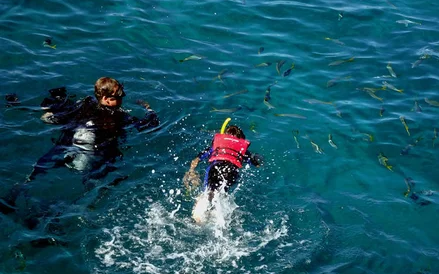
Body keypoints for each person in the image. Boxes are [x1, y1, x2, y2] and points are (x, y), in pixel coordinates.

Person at [0, 77, 159, 217]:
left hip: (65, 147)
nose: (123, 98)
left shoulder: (84, 103)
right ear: (105, 98)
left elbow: (60, 115)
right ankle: (72, 212)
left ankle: (16, 192)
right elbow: (148, 126)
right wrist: (149, 109)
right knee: (104, 181)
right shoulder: (120, 116)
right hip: (90, 156)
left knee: (38, 170)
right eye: (119, 96)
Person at [183, 119, 262, 222]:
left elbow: (196, 159)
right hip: (231, 171)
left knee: (207, 193)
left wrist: (191, 171)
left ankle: (198, 219)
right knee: (221, 195)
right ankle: (219, 219)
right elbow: (256, 164)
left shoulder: (215, 147)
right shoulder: (243, 151)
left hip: (214, 169)